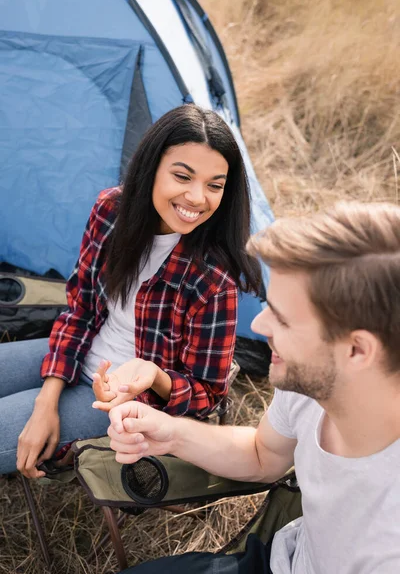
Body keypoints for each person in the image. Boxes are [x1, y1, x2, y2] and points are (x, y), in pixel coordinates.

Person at [107, 201, 400, 574]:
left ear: (356, 350)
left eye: (282, 318)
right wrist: (170, 434)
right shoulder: (314, 385)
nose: (259, 326)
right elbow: (264, 454)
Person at [0, 104, 261, 479]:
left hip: (120, 400)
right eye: (182, 176)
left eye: (214, 185)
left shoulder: (213, 279)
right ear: (152, 167)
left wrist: (153, 375)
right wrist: (47, 400)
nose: (197, 198)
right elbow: (81, 310)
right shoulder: (111, 211)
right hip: (82, 352)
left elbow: (206, 396)